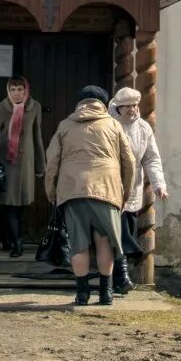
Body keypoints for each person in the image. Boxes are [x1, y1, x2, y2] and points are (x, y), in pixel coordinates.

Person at [44, 85, 137, 306]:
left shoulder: (65, 125)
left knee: (79, 244)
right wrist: (126, 192)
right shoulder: (113, 125)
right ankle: (106, 294)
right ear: (104, 104)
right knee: (104, 242)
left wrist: (52, 192)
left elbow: (52, 162)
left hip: (72, 190)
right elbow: (130, 162)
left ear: (79, 103)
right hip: (107, 190)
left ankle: (82, 294)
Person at [108, 87, 166, 296]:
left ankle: (117, 277)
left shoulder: (143, 128)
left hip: (133, 189)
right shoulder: (109, 125)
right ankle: (121, 277)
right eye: (128, 106)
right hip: (110, 188)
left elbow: (151, 157)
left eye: (135, 105)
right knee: (117, 234)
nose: (133, 109)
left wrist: (159, 183)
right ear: (118, 107)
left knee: (125, 232)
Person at [0, 77, 45, 258]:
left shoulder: (34, 107)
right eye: (13, 89)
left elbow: (37, 135)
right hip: (6, 161)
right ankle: (17, 243)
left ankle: (9, 238)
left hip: (26, 163)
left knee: (21, 205)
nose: (16, 93)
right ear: (8, 91)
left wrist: (40, 164)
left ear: (25, 90)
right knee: (9, 205)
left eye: (20, 89)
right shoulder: (0, 108)